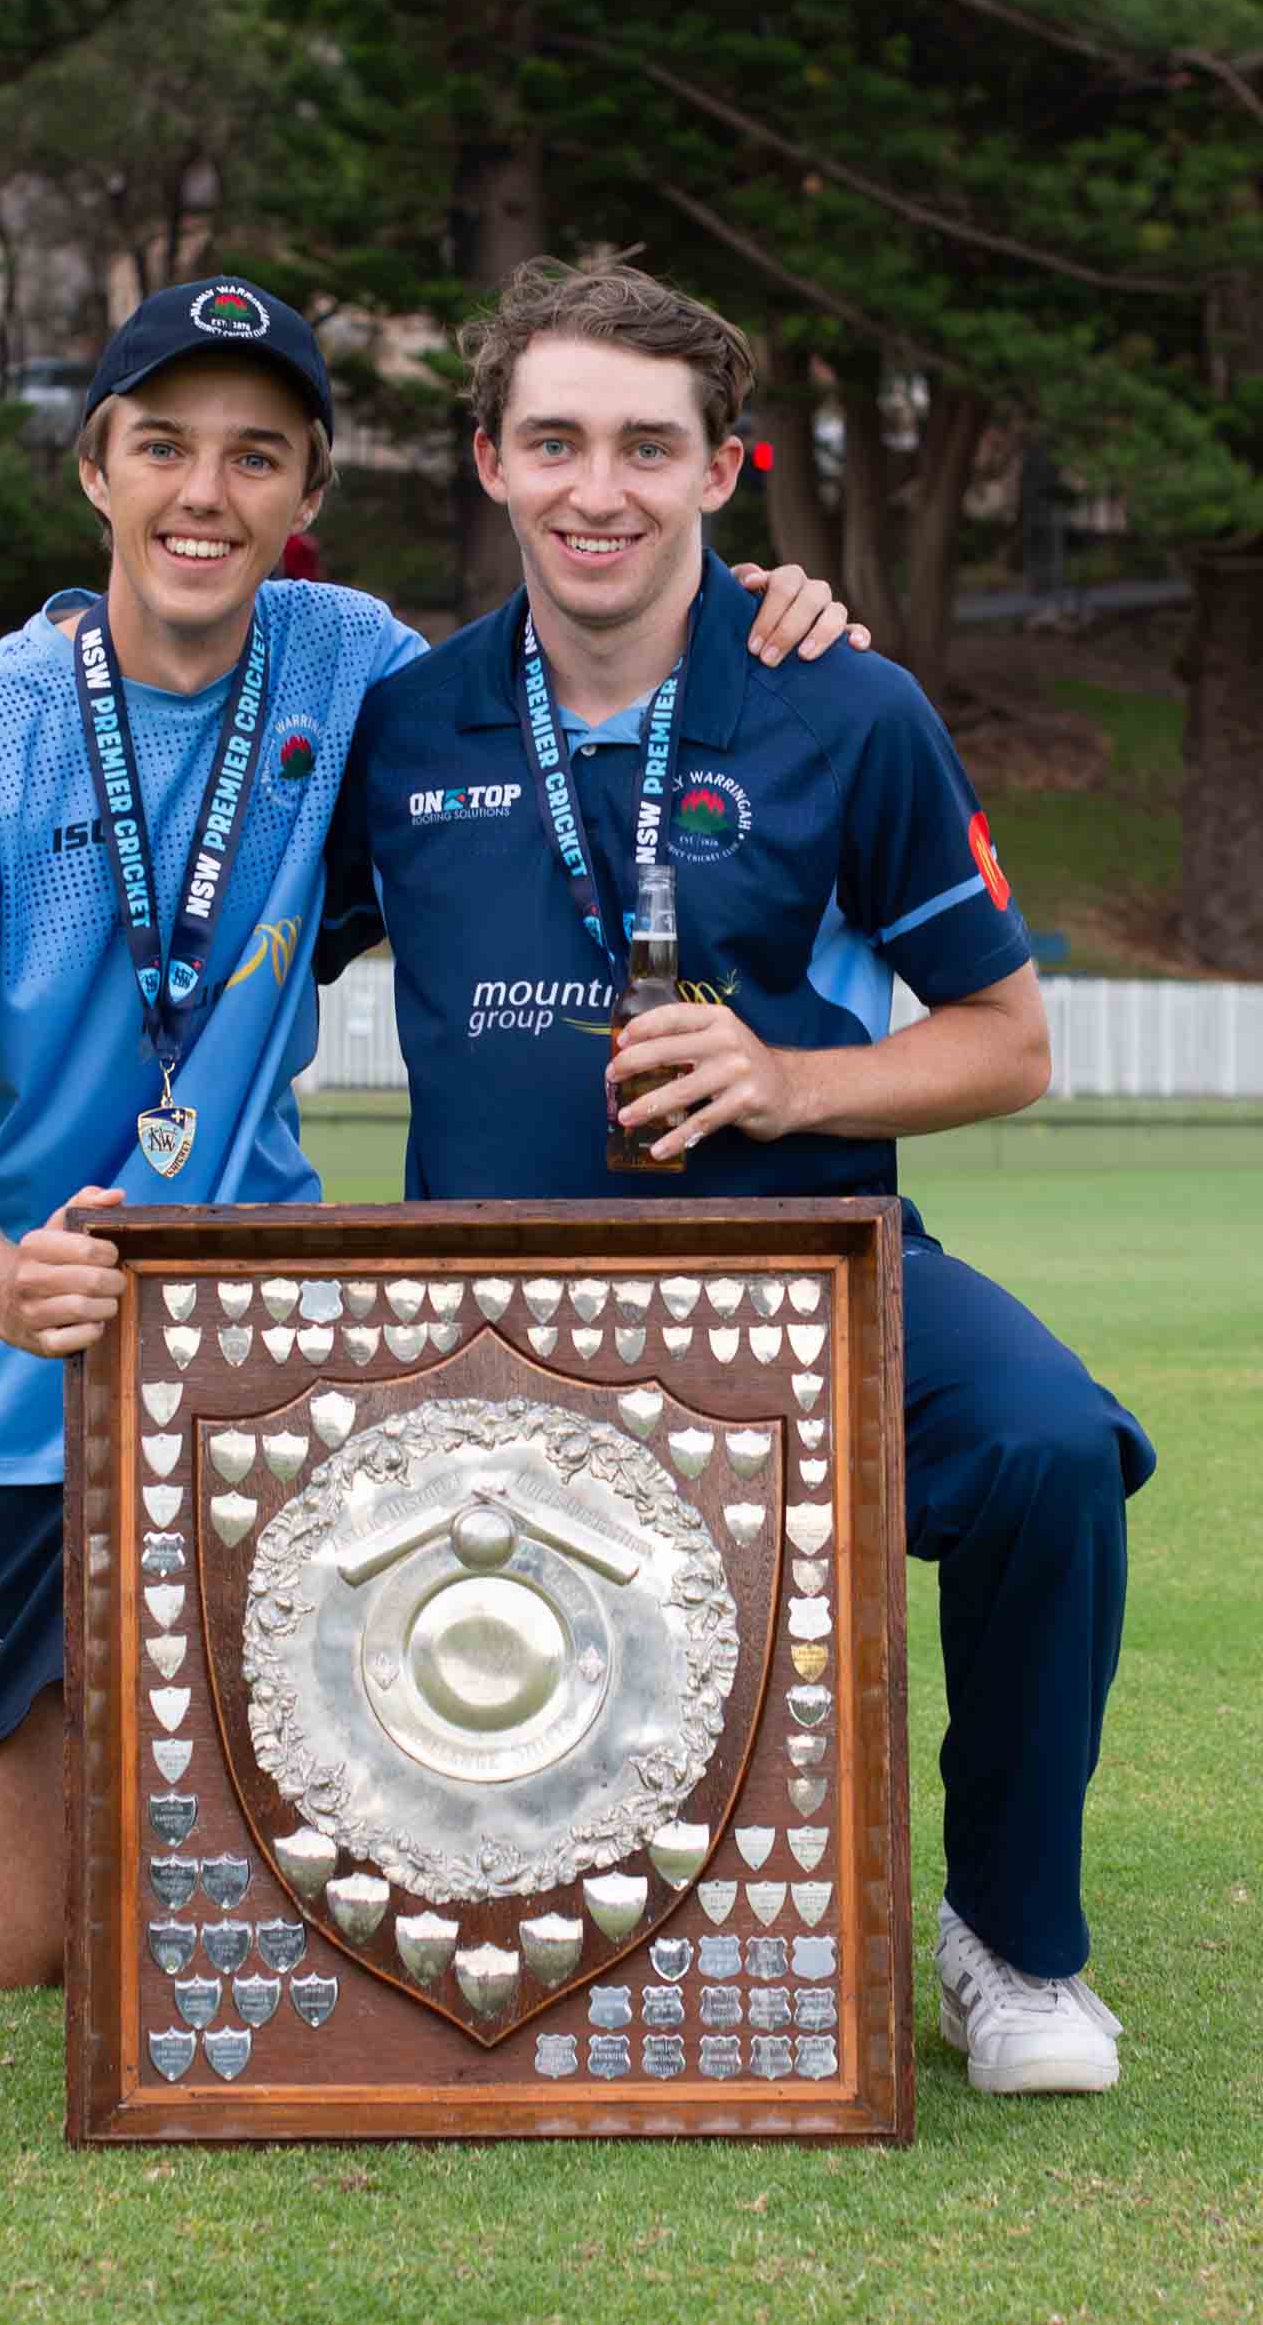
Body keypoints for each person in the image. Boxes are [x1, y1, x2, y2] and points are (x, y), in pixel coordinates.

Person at [0, 272, 862, 1991]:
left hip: (264, 1366)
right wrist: (4, 1289)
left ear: (307, 492)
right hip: (11, 1387)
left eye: (255, 456)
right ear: (95, 470)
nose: (204, 493)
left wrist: (753, 607)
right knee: (34, 1949)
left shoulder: (352, 664)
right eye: (164, 448)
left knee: (331, 1869)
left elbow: (587, 673)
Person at [323, 257, 1155, 2095]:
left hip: (800, 1269)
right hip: (485, 1312)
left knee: (1044, 1450)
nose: (597, 488)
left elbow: (1008, 1041)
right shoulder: (409, 723)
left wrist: (788, 1081)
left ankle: (1014, 1945)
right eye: (555, 441)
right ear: (490, 461)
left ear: (721, 469)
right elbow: (255, 961)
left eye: (647, 446)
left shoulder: (842, 704)